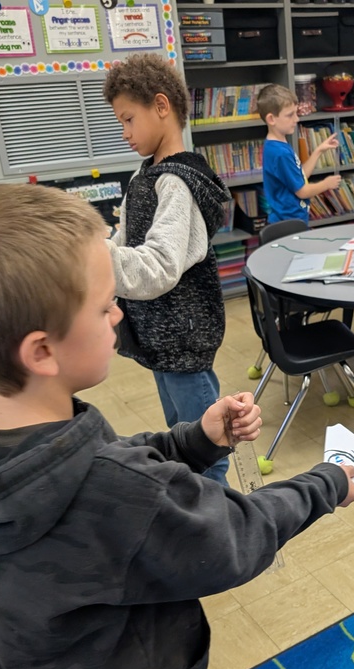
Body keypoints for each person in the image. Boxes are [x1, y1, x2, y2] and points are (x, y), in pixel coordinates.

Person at [0, 183, 354, 669]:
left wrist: (193, 439)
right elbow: (232, 538)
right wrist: (327, 482)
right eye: (103, 306)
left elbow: (106, 466)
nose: (119, 312)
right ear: (42, 351)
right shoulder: (110, 489)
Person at [102, 53, 233, 484]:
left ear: (162, 106)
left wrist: (93, 260)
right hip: (159, 339)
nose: (125, 133)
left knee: (207, 448)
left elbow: (158, 266)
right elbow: (123, 244)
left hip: (183, 340)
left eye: (128, 119)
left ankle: (222, 525)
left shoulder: (177, 182)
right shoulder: (145, 176)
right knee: (182, 444)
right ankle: (194, 513)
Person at [257, 83, 342, 224]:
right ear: (271, 119)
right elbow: (302, 191)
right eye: (290, 115)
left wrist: (318, 151)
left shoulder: (279, 145)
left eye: (296, 113)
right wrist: (326, 184)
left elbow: (298, 178)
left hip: (292, 220)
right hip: (287, 223)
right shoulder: (280, 153)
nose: (296, 119)